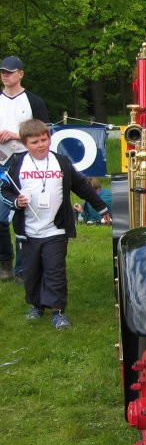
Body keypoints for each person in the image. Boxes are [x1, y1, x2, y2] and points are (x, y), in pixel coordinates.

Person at [0, 119, 110, 331]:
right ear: (24, 143)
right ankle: (36, 305)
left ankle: (58, 311)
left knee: (55, 270)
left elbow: (82, 187)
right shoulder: (17, 163)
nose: (41, 144)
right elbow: (4, 190)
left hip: (56, 228)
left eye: (44, 139)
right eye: (35, 142)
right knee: (32, 272)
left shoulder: (61, 162)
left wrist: (103, 209)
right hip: (29, 231)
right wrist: (16, 201)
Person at [0, 56, 49, 282]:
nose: (5, 75)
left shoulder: (33, 101)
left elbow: (44, 132)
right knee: (0, 217)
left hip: (23, 161)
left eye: (9, 71)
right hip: (1, 162)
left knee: (24, 214)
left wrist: (17, 135)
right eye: (3, 71)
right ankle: (5, 263)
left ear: (21, 73)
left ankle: (22, 269)